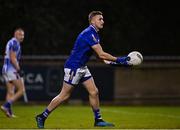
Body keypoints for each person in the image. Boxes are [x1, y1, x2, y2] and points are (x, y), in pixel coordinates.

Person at [35, 11, 130, 128]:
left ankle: (98, 120)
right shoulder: (89, 33)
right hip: (74, 67)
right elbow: (101, 54)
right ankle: (42, 116)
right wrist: (119, 59)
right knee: (64, 96)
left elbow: (98, 56)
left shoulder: (93, 34)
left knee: (94, 91)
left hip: (82, 67)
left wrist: (112, 63)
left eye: (103, 19)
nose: (103, 21)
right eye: (100, 19)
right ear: (92, 21)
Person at [1, 28, 25, 118]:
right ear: (15, 34)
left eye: (23, 35)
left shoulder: (11, 42)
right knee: (21, 90)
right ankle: (6, 105)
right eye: (20, 35)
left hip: (5, 69)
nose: (22, 37)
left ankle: (9, 113)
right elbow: (12, 57)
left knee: (10, 92)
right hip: (12, 70)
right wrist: (18, 69)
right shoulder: (15, 43)